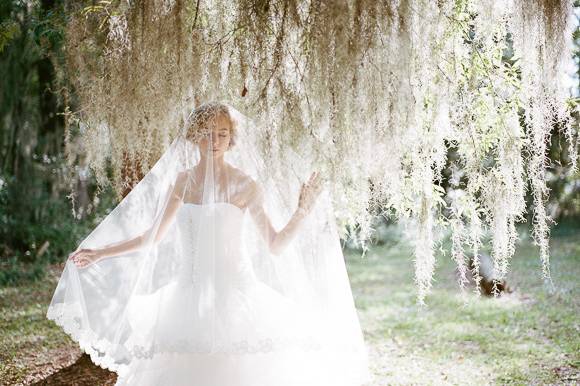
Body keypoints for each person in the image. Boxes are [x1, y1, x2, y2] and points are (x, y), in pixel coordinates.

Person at [47, 102, 371, 386]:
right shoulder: (183, 181)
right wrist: (100, 253)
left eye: (222, 133)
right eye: (207, 132)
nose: (214, 140)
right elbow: (151, 236)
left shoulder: (246, 185)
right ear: (194, 136)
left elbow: (274, 244)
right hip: (186, 297)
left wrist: (302, 211)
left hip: (238, 296)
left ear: (232, 138)